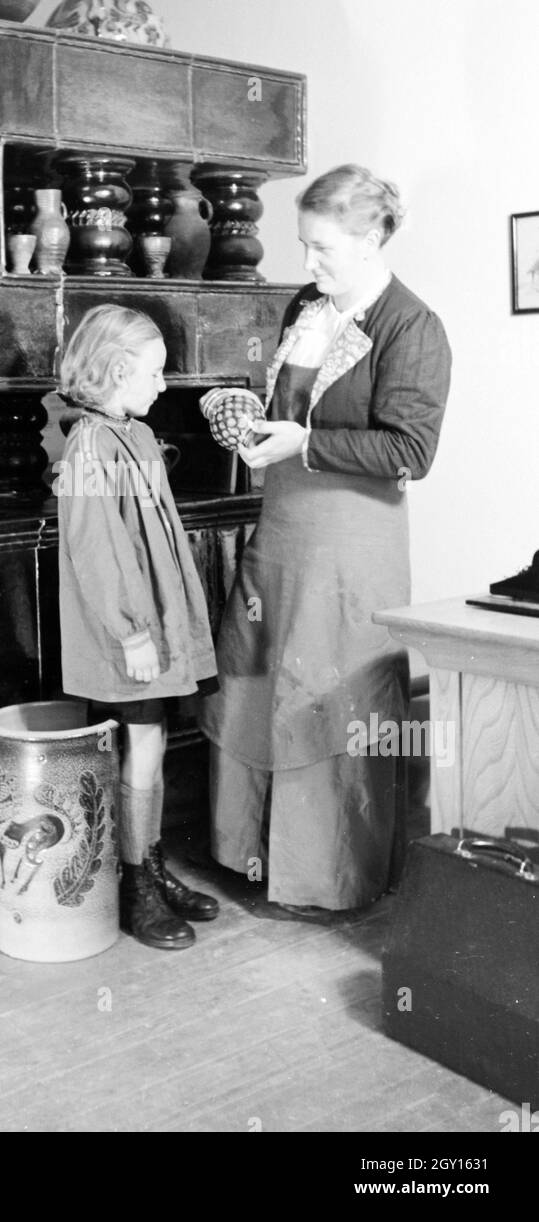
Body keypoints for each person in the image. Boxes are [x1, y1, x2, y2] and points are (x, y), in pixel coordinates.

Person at [200, 164, 452, 917]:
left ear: (373, 239)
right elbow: (293, 413)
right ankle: (247, 852)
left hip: (350, 541)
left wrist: (302, 443)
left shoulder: (412, 327)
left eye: (323, 249)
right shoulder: (304, 308)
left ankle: (327, 874)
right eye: (302, 245)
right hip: (281, 529)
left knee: (329, 690)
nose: (307, 265)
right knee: (253, 672)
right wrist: (254, 431)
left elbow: (410, 452)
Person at [57, 304, 220, 949]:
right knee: (143, 749)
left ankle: (147, 866)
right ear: (118, 369)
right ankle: (135, 884)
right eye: (154, 372)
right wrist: (132, 632)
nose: (162, 383)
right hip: (128, 636)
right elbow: (96, 549)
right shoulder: (90, 442)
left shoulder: (136, 435)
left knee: (151, 748)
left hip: (155, 625)